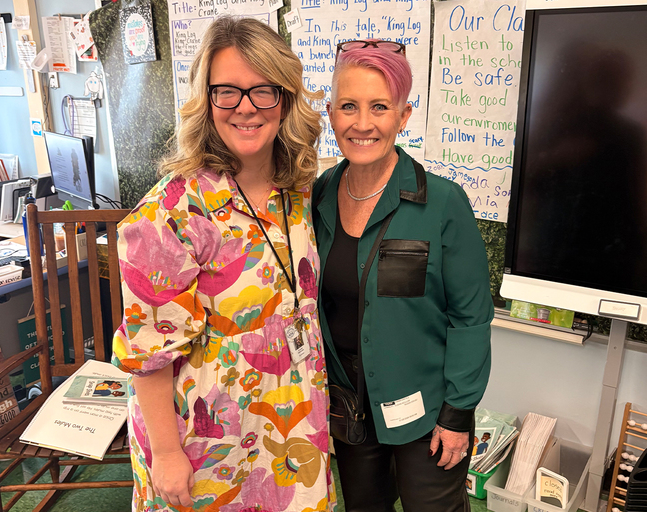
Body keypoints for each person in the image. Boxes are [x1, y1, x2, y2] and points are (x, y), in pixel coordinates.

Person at [111, 16, 333, 512]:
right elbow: (148, 354)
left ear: (286, 98)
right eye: (227, 92)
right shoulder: (168, 214)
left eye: (263, 91)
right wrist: (167, 455)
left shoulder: (297, 194)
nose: (246, 108)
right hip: (205, 446)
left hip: (291, 431)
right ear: (206, 100)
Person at [313, 39, 494, 511]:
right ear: (330, 112)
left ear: (404, 115)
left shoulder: (443, 203)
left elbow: (471, 318)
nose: (363, 123)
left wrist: (457, 414)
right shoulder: (316, 198)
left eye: (380, 107)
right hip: (348, 406)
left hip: (427, 412)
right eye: (348, 106)